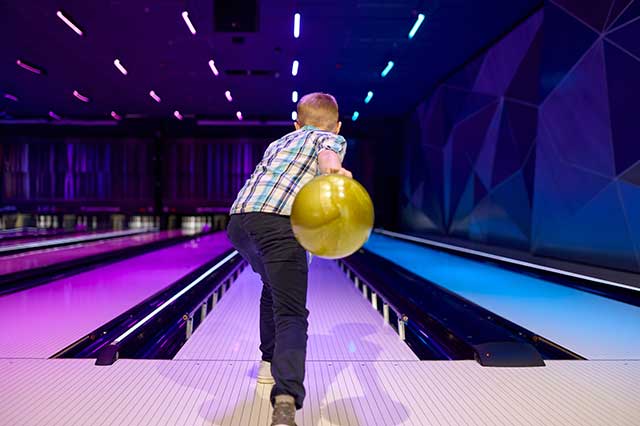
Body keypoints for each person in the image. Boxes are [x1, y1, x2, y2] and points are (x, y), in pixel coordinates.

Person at [226, 92, 351, 426]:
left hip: (239, 221)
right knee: (292, 313)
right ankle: (285, 402)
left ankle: (268, 365)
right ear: (337, 126)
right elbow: (327, 155)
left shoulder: (280, 142)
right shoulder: (330, 138)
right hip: (279, 222)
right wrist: (334, 173)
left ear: (296, 124)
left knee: (272, 286)